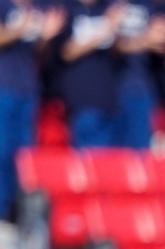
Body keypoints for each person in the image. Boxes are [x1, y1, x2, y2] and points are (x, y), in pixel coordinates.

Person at [0, 0, 64, 220]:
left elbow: (37, 54)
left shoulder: (37, 8)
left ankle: (20, 214)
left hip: (28, 89)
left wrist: (45, 37)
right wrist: (19, 29)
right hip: (1, 87)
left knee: (25, 155)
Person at [55, 0, 124, 148]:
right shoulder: (68, 8)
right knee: (88, 159)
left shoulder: (106, 8)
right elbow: (67, 52)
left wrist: (115, 31)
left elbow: (118, 53)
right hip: (82, 100)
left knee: (108, 162)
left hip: (109, 98)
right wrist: (105, 29)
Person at [114, 1, 165, 148]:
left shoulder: (153, 6)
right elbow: (110, 42)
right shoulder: (108, 4)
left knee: (139, 152)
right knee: (106, 156)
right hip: (103, 90)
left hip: (142, 88)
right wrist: (145, 41)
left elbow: (162, 44)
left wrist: (155, 39)